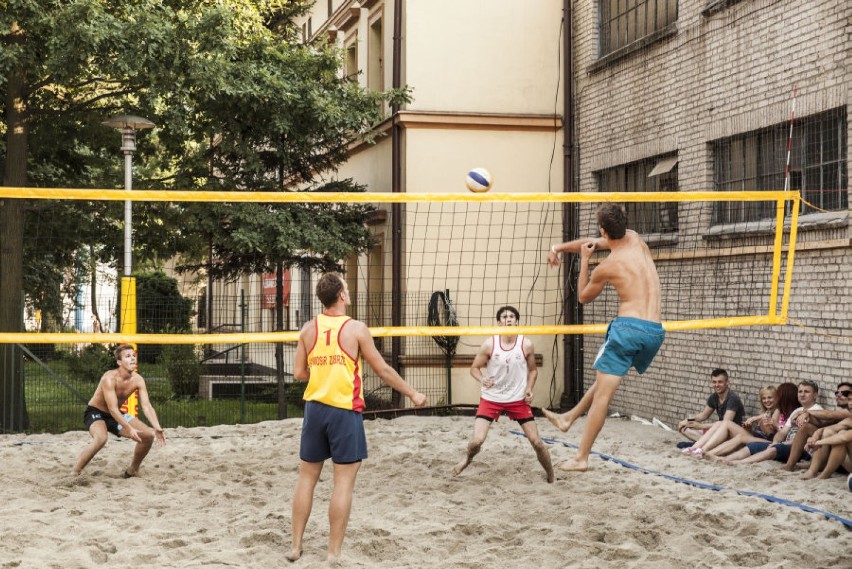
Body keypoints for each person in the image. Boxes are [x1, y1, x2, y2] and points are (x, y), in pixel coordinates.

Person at [287, 273, 427, 563]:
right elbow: (383, 371)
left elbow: (299, 373)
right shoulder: (356, 329)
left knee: (306, 478)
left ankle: (295, 547)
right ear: (340, 295)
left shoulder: (308, 328)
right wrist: (412, 394)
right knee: (343, 483)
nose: (349, 292)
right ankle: (333, 553)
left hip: (314, 410)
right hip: (343, 411)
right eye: (347, 289)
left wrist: (325, 371)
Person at [541, 203, 666, 472]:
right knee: (604, 380)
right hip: (655, 332)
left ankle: (581, 458)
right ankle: (569, 418)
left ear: (603, 230)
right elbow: (591, 242)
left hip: (628, 330)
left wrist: (585, 261)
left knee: (602, 398)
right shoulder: (635, 238)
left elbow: (584, 296)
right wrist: (558, 248)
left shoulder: (607, 266)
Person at [452, 306, 554, 483]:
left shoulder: (526, 344)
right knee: (477, 441)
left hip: (517, 400)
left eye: (512, 316)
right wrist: (482, 379)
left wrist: (530, 388)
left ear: (517, 321)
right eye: (505, 317)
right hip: (491, 399)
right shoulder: (490, 344)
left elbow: (533, 371)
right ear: (499, 322)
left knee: (537, 442)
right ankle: (466, 460)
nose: (508, 319)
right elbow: (474, 368)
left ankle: (551, 475)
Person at [72, 344, 166, 477]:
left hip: (115, 415)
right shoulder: (109, 378)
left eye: (134, 355)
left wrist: (157, 426)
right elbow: (112, 408)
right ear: (119, 362)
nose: (133, 358)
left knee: (148, 436)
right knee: (101, 438)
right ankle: (75, 472)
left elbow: (147, 406)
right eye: (128, 356)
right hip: (96, 412)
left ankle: (132, 470)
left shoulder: (138, 380)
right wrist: (128, 428)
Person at [727, 380, 823, 465]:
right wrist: (776, 441)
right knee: (753, 445)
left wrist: (781, 444)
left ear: (815, 395)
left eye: (806, 392)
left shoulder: (818, 411)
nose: (802, 394)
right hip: (785, 444)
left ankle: (738, 463)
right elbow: (782, 432)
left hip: (801, 450)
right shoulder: (797, 410)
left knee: (773, 450)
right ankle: (725, 459)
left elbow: (808, 436)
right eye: (800, 391)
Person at [703, 382, 798, 460]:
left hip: (777, 444)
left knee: (736, 433)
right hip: (771, 440)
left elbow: (777, 433)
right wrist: (752, 428)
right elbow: (770, 432)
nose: (767, 400)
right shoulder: (779, 411)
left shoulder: (786, 412)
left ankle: (708, 452)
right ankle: (707, 452)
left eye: (773, 397)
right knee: (734, 432)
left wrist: (771, 424)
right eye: (764, 398)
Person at [683, 384, 777, 458]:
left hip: (769, 442)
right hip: (756, 437)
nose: (766, 401)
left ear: (776, 398)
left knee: (726, 423)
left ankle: (703, 450)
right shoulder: (767, 412)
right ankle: (696, 448)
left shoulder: (777, 411)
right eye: (764, 398)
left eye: (770, 398)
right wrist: (748, 428)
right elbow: (703, 415)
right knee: (721, 423)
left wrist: (757, 419)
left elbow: (771, 433)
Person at [780, 381, 852, 471]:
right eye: (837, 393)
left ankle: (815, 471)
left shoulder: (847, 412)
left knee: (829, 433)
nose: (838, 395)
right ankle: (790, 465)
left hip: (846, 456)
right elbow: (823, 424)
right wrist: (808, 417)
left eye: (844, 393)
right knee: (807, 427)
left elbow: (829, 414)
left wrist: (806, 412)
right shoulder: (843, 411)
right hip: (835, 452)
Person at [677, 369, 745, 443]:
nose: (717, 385)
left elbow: (725, 423)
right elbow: (703, 416)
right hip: (719, 431)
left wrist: (700, 426)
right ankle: (708, 444)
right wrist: (687, 421)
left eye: (720, 382)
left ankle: (707, 444)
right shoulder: (714, 397)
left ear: (727, 382)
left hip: (733, 434)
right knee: (684, 428)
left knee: (711, 432)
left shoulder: (732, 398)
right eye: (714, 382)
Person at [800, 416, 852, 481]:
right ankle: (812, 471)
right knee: (827, 432)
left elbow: (844, 437)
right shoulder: (849, 420)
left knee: (841, 436)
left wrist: (817, 443)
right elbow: (822, 429)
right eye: (850, 408)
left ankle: (824, 475)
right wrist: (815, 437)